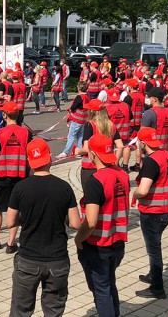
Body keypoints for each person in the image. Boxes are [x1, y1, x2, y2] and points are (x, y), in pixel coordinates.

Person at [7, 138, 81, 317]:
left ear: (30, 162)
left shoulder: (20, 188)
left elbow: (10, 222)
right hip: (57, 260)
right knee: (54, 311)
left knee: (21, 310)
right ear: (49, 158)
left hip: (28, 259)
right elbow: (75, 224)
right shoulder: (64, 188)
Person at [75, 134, 130, 317]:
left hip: (98, 245)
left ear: (93, 154)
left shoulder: (95, 181)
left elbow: (90, 221)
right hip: (117, 242)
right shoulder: (122, 175)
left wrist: (78, 239)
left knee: (101, 290)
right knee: (109, 284)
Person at [133, 127, 168, 299]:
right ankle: (153, 275)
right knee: (155, 245)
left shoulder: (151, 162)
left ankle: (157, 287)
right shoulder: (167, 155)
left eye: (138, 142)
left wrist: (134, 194)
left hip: (153, 212)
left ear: (143, 143)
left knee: (153, 250)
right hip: (167, 209)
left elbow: (143, 191)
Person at [0, 102, 32, 253]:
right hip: (21, 176)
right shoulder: (26, 133)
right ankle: (11, 243)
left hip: (2, 176)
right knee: (16, 208)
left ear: (4, 115)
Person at [78, 99, 123, 188]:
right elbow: (120, 146)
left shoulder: (90, 125)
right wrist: (115, 163)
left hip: (91, 166)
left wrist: (78, 151)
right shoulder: (111, 125)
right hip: (108, 165)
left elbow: (86, 149)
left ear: (91, 111)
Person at [58, 82, 90, 159]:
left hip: (77, 119)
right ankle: (80, 151)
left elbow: (73, 107)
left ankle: (65, 152)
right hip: (83, 119)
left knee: (71, 136)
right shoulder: (87, 96)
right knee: (80, 135)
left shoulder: (79, 97)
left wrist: (70, 109)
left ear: (79, 88)